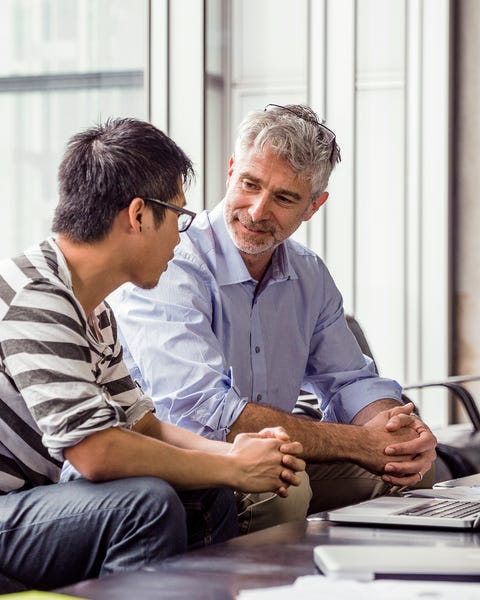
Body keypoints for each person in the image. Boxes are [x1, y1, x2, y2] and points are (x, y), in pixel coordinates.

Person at [0, 117, 305, 590]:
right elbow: (95, 452)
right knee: (145, 506)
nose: (181, 237)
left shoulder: (91, 308)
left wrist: (233, 455)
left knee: (209, 494)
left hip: (1, 508)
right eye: (179, 216)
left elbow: (143, 427)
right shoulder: (36, 299)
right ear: (138, 216)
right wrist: (233, 465)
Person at [110, 104, 438, 534]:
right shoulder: (171, 261)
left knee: (406, 471)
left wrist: (398, 432)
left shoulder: (308, 273)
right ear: (231, 172)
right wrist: (362, 442)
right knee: (284, 486)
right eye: (250, 184)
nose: (258, 211)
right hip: (182, 459)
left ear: (314, 206)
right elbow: (203, 411)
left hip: (272, 456)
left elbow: (351, 380)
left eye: (285, 198)